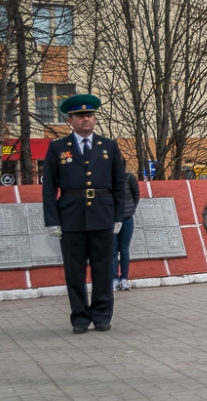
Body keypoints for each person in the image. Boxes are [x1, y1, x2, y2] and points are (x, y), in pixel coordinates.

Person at [42, 94, 126, 334]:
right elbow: (49, 188)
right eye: (80, 116)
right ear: (71, 120)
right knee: (74, 271)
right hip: (71, 216)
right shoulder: (58, 148)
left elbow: (119, 184)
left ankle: (101, 315)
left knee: (103, 269)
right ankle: (80, 317)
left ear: (95, 118)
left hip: (102, 213)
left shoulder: (108, 146)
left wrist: (119, 216)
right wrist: (52, 220)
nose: (85, 119)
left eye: (89, 115)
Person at [112, 171, 141, 291]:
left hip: (127, 218)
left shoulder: (129, 178)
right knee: (112, 250)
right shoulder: (105, 178)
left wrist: (131, 209)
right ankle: (114, 279)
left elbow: (136, 195)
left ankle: (124, 278)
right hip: (111, 220)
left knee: (124, 249)